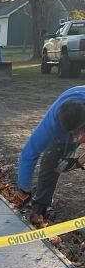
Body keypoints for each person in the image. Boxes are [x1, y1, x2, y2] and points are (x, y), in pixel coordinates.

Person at [12, 88, 85, 226]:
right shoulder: (51, 125)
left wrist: (80, 161)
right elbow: (28, 154)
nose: (76, 138)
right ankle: (40, 206)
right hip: (63, 129)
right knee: (51, 161)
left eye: (78, 134)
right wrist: (23, 189)